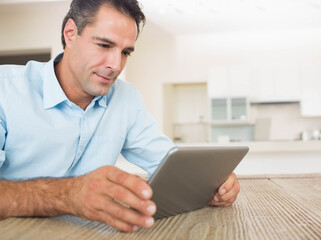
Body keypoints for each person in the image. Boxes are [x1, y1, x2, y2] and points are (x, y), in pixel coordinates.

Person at [0, 0, 240, 232]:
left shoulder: (126, 98)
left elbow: (170, 163)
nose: (116, 65)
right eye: (104, 45)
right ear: (71, 33)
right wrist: (67, 195)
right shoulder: (6, 90)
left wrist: (211, 182)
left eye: (126, 52)